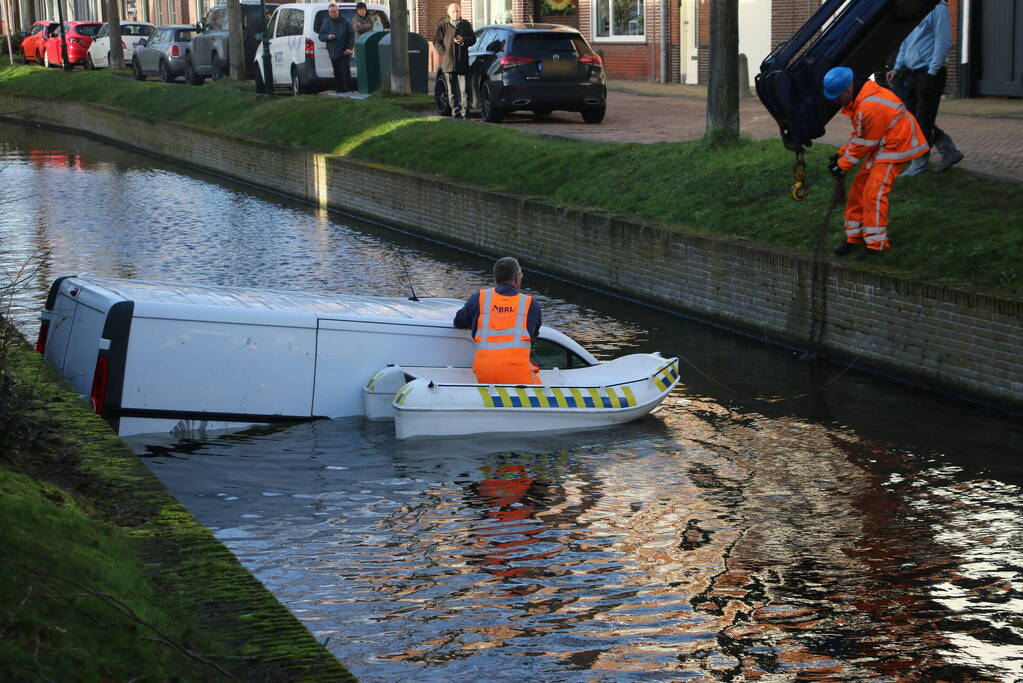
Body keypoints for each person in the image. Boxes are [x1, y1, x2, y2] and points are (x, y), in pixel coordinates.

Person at [823, 66, 929, 256]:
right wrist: (841, 155)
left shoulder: (868, 106)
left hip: (897, 145)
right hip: (884, 142)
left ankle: (876, 244)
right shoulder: (861, 100)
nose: (835, 102)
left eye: (837, 97)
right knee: (858, 187)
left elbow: (864, 143)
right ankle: (854, 237)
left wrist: (842, 164)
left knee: (874, 192)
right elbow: (861, 135)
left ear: (848, 90)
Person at [886, 1, 964, 175]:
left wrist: (932, 71)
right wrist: (897, 67)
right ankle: (949, 151)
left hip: (929, 73)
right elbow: (905, 42)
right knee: (913, 118)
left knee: (924, 119)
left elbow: (943, 42)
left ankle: (919, 163)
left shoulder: (938, 9)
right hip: (912, 72)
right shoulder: (914, 10)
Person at [454, 257, 542, 385]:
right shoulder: (530, 304)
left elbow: (458, 321)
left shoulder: (479, 298)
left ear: (496, 278)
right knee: (547, 399)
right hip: (518, 376)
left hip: (484, 374)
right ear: (517, 278)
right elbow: (532, 337)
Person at [433, 3, 476, 119]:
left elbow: (473, 39)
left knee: (465, 90)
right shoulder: (443, 26)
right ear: (448, 13)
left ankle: (465, 112)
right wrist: (444, 52)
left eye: (457, 11)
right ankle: (455, 112)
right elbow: (436, 41)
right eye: (453, 11)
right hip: (449, 63)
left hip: (462, 62)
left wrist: (463, 40)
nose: (455, 13)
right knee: (451, 90)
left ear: (460, 11)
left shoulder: (466, 25)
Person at [318, 3, 354, 94]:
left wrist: (349, 48)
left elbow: (351, 36)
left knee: (345, 72)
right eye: (331, 12)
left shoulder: (346, 22)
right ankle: (339, 92)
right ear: (329, 13)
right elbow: (321, 36)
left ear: (338, 11)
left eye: (334, 11)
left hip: (344, 51)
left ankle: (347, 92)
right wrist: (327, 36)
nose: (333, 13)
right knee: (337, 73)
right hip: (333, 52)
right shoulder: (326, 23)